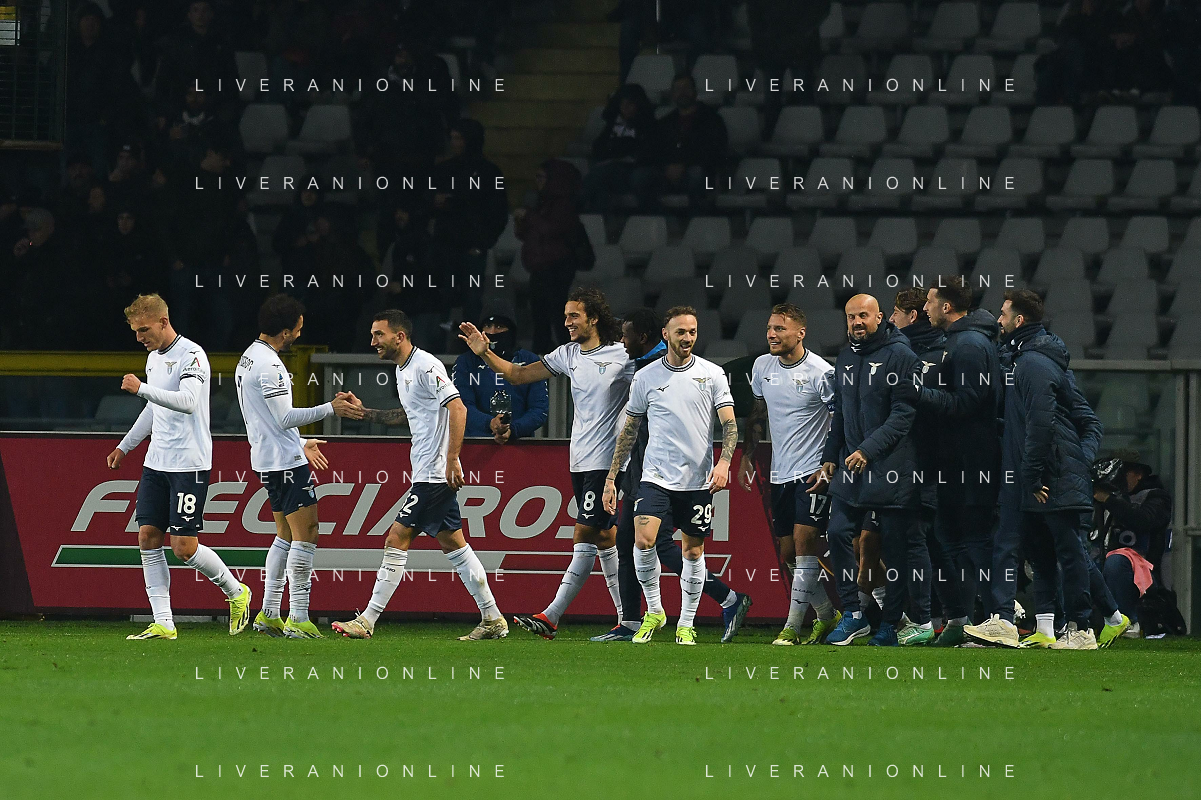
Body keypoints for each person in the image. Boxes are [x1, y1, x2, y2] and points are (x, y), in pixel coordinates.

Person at [458, 288, 631, 639]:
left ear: (593, 318)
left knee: (584, 533)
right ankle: (629, 621)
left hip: (607, 461)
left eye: (574, 316)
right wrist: (485, 352)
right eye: (565, 316)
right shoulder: (568, 354)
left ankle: (551, 616)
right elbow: (518, 375)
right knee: (605, 537)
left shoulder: (623, 355)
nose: (567, 323)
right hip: (580, 460)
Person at [332, 310, 508, 641]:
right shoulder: (403, 370)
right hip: (427, 471)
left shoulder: (425, 365)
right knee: (455, 545)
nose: (373, 342)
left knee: (396, 538)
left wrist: (452, 458)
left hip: (435, 473)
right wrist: (365, 413)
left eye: (379, 335)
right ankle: (492, 618)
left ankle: (367, 620)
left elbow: (458, 408)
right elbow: (409, 415)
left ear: (399, 336)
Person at [593, 308, 749, 643]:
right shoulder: (646, 377)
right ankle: (655, 611)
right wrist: (611, 478)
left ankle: (686, 624)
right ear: (666, 334)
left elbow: (729, 424)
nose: (687, 338)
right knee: (643, 540)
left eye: (692, 332)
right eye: (681, 332)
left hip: (697, 480)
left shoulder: (712, 374)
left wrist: (724, 463)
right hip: (655, 477)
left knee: (692, 552)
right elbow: (629, 431)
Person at [107, 293, 251, 640]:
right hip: (156, 461)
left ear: (163, 322)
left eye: (144, 329)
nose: (139, 337)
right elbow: (153, 408)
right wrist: (125, 446)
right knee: (147, 537)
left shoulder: (192, 355)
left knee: (183, 547)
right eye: (135, 331)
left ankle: (237, 592)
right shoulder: (153, 359)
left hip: (189, 463)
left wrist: (142, 389)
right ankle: (164, 622)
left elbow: (187, 401)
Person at [235, 295, 363, 639]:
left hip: (268, 458)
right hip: (285, 463)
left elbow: (266, 419)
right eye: (298, 327)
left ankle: (269, 613)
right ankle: (299, 617)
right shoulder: (271, 365)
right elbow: (284, 417)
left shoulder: (249, 357)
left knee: (285, 535)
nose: (300, 332)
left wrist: (300, 441)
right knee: (307, 535)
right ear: (286, 331)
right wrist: (331, 408)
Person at [820, 295, 931, 647]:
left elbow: (903, 416)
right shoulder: (845, 356)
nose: (857, 322)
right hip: (852, 464)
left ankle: (890, 623)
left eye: (863, 316)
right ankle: (853, 614)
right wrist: (830, 455)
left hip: (892, 466)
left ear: (880, 317)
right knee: (837, 532)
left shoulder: (902, 356)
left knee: (894, 550)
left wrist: (868, 450)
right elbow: (840, 412)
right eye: (851, 317)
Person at [992, 289, 1098, 650]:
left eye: (1003, 314)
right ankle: (1049, 629)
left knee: (1069, 552)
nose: (999, 320)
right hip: (1048, 473)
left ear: (1019, 320)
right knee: (1042, 554)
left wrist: (1044, 472)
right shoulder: (1027, 359)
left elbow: (1041, 425)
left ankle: (1082, 629)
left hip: (1052, 476)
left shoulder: (1034, 364)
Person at [904, 278, 1003, 646]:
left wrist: (920, 393)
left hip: (971, 459)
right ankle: (964, 622)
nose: (925, 308)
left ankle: (998, 618)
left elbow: (968, 404)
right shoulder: (958, 341)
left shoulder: (970, 345)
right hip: (954, 459)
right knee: (949, 537)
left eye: (930, 302)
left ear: (946, 307)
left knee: (973, 540)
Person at [738, 304, 841, 645]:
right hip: (779, 474)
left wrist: (829, 464)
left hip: (812, 473)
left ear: (801, 333)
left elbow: (839, 422)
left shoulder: (821, 372)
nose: (771, 334)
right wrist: (747, 456)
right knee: (787, 554)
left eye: (780, 329)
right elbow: (758, 413)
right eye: (770, 328)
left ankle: (792, 628)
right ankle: (827, 615)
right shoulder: (762, 366)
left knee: (803, 542)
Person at [889, 288, 958, 640]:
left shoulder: (941, 353)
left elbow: (957, 404)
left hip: (928, 461)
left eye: (895, 313)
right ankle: (952, 617)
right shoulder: (901, 351)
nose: (890, 319)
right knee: (927, 540)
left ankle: (925, 620)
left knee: (923, 538)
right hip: (906, 459)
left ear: (911, 316)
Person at [430, 118, 509, 340]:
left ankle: (471, 348)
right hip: (446, 246)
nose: (454, 143)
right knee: (443, 298)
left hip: (472, 247)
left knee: (472, 301)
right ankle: (439, 347)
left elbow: (497, 212)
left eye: (459, 138)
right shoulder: (444, 169)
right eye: (452, 138)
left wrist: (482, 243)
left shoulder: (489, 172)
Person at [1094, 451, 1173, 640]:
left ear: (1139, 474)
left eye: (1122, 472)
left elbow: (1143, 520)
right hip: (1101, 565)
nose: (1116, 478)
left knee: (1117, 561)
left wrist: (1110, 500)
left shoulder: (1156, 497)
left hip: (1145, 577)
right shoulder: (1099, 499)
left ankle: (1129, 620)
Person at [514, 159, 588, 354]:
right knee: (541, 315)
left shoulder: (564, 205)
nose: (537, 181)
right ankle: (542, 352)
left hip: (557, 266)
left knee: (555, 313)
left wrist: (529, 217)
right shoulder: (543, 203)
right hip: (540, 266)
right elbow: (528, 234)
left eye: (542, 177)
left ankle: (565, 353)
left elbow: (551, 229)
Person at [453, 315, 548, 442]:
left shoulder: (530, 361)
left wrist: (512, 430)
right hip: (476, 444)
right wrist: (490, 423)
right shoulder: (465, 362)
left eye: (499, 326)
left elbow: (539, 410)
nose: (492, 332)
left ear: (511, 330)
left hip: (521, 445)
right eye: (487, 326)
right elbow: (462, 406)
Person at [643, 75, 728, 207]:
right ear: (672, 94)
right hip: (667, 173)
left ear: (695, 91)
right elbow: (653, 150)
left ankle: (696, 217)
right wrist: (666, 167)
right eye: (677, 89)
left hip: (699, 172)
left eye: (686, 88)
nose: (682, 92)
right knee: (641, 176)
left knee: (696, 174)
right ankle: (657, 217)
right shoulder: (665, 122)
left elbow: (714, 150)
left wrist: (684, 165)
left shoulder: (711, 119)